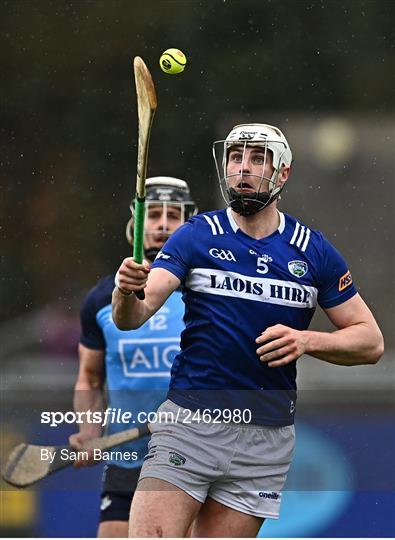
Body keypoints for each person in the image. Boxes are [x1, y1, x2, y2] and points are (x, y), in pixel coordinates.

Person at [112, 123, 384, 538]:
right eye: (236, 158)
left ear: (283, 173)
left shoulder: (313, 251)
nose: (243, 168)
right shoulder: (196, 236)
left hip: (266, 440)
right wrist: (124, 290)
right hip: (190, 426)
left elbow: (370, 340)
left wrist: (308, 340)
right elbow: (133, 315)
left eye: (257, 158)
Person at [69, 177, 198, 538]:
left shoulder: (208, 295)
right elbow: (90, 378)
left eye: (173, 215)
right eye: (153, 214)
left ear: (189, 223)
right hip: (127, 456)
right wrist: (90, 430)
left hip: (192, 457)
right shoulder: (101, 299)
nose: (161, 224)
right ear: (135, 223)